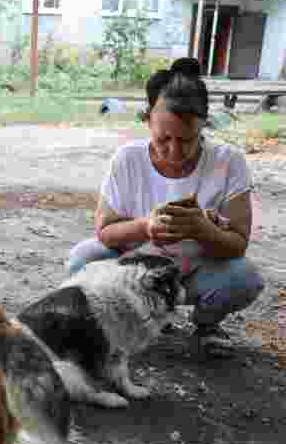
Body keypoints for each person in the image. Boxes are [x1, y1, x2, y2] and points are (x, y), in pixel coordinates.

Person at [67, 57, 264, 356]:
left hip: (198, 269)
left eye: (187, 140)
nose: (174, 151)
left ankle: (207, 323)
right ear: (148, 120)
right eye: (163, 139)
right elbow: (104, 231)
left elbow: (237, 244)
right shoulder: (128, 159)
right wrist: (145, 226)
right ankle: (146, 313)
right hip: (137, 269)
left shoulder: (228, 161)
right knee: (83, 259)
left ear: (203, 125)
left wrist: (201, 229)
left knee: (244, 278)